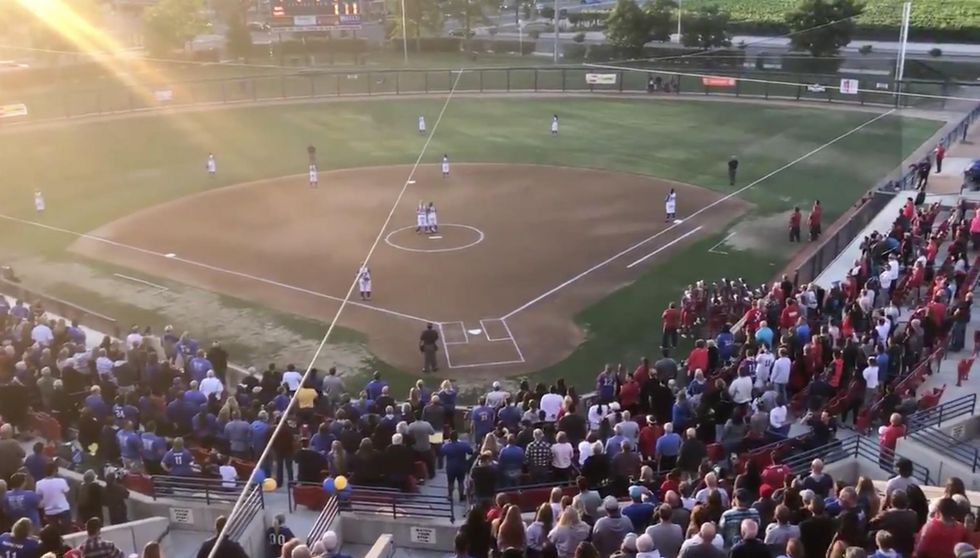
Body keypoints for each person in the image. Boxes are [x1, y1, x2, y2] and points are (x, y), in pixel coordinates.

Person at [35, 463, 71, 533]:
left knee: (53, 532)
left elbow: (39, 497)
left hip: (49, 511)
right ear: (54, 471)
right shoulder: (61, 481)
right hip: (64, 509)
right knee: (67, 531)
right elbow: (66, 493)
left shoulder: (39, 483)